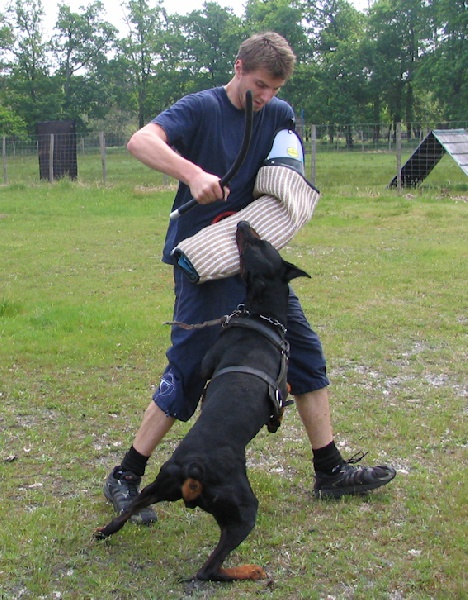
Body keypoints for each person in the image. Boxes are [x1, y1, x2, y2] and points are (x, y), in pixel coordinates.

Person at [103, 32, 396, 524]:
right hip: (204, 259)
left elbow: (285, 164)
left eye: (273, 89)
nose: (265, 97)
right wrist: (193, 175)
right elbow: (141, 141)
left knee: (301, 350)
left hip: (255, 260)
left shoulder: (279, 114)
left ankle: (329, 469)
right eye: (259, 85)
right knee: (191, 365)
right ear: (238, 67)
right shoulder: (200, 108)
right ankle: (127, 475)